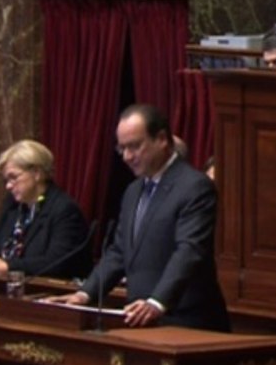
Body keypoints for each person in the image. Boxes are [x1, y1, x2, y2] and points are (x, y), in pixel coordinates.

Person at [48, 104, 230, 331]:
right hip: (139, 318)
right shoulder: (133, 191)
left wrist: (157, 302)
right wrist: (85, 294)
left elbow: (190, 250)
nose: (126, 157)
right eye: (121, 148)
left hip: (186, 320)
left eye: (134, 146)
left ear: (162, 139)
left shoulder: (194, 186)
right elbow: (119, 252)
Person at [0, 139, 93, 279]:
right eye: (6, 180)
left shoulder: (64, 210)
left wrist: (6, 266)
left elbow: (57, 262)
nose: (8, 186)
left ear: (36, 173)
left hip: (48, 292)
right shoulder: (14, 205)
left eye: (13, 177)